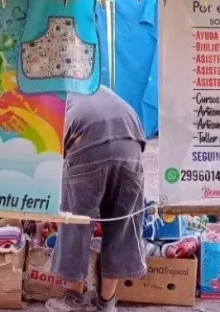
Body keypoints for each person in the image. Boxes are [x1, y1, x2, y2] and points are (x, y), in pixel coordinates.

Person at [48, 86, 147, 312]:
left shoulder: (51, 96)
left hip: (88, 144)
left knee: (76, 220)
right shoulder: (97, 87)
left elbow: (47, 158)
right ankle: (107, 302)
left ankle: (73, 298)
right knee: (122, 224)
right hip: (131, 146)